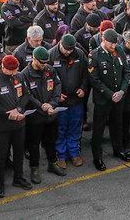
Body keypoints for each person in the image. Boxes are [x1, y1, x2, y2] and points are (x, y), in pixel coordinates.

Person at [0, 55, 36, 197]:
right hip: (2, 127)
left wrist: (18, 109)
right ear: (3, 67)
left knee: (19, 152)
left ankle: (18, 178)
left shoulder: (19, 76)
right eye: (10, 71)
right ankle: (0, 184)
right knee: (1, 157)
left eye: (15, 70)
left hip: (19, 123)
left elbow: (26, 95)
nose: (13, 73)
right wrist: (8, 113)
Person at [88, 29, 130, 170]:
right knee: (99, 128)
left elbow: (126, 72)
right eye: (111, 44)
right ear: (103, 40)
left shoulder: (119, 50)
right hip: (103, 99)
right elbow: (94, 80)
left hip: (119, 97)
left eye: (115, 44)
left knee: (117, 124)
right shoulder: (94, 55)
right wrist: (110, 94)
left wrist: (122, 90)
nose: (113, 46)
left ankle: (118, 149)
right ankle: (97, 157)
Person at [22, 46, 65, 184]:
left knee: (51, 140)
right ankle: (34, 168)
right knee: (34, 144)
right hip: (36, 117)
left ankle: (52, 163)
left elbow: (57, 85)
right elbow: (27, 96)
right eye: (41, 62)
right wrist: (42, 106)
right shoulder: (25, 75)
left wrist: (52, 104)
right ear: (33, 59)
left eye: (46, 62)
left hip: (50, 114)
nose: (44, 65)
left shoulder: (50, 70)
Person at [48, 34, 87, 170]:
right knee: (60, 128)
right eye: (66, 50)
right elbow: (47, 79)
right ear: (60, 44)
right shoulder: (51, 55)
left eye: (71, 50)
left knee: (75, 127)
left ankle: (74, 153)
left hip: (76, 99)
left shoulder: (80, 54)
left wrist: (83, 88)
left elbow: (86, 74)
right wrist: (56, 95)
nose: (68, 52)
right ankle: (61, 155)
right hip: (60, 102)